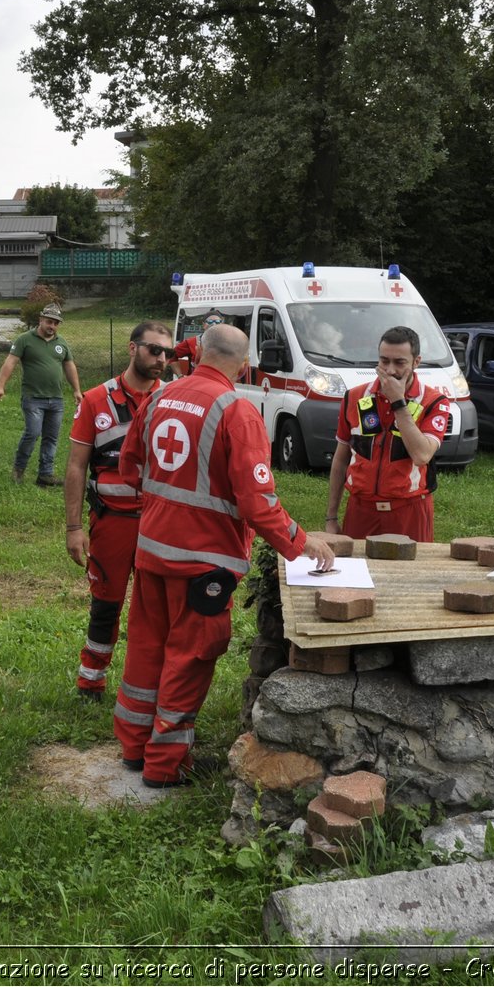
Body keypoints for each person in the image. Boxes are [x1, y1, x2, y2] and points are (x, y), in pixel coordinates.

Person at [115, 324, 335, 787]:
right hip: (203, 565)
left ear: (200, 353)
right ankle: (166, 765)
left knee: (146, 647)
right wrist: (302, 543)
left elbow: (128, 464)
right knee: (188, 658)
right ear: (244, 361)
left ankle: (134, 746)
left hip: (151, 552)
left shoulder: (158, 396)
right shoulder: (236, 410)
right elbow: (258, 504)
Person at [63, 319, 174, 701]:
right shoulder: (97, 400)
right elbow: (76, 465)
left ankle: (147, 687)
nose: (161, 359)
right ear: (132, 348)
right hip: (112, 521)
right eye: (153, 350)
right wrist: (73, 527)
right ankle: (91, 680)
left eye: (167, 353)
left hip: (160, 524)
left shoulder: (174, 398)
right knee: (106, 604)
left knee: (156, 611)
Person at [324, 325, 454, 542]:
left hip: (409, 511)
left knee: (410, 575)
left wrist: (398, 402)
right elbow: (341, 458)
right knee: (356, 573)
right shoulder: (355, 397)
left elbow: (422, 456)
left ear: (416, 362)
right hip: (361, 509)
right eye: (384, 361)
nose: (391, 370)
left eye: (399, 362)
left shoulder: (434, 402)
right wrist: (331, 517)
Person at [0, 302, 82, 486]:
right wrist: (0, 386)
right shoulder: (25, 339)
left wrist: (77, 390)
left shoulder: (61, 343)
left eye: (56, 323)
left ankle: (45, 474)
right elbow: (10, 362)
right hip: (33, 398)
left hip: (56, 399)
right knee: (32, 433)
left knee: (51, 437)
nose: (52, 326)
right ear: (41, 320)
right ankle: (19, 469)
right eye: (49, 322)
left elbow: (69, 366)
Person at [169, 311, 225, 378]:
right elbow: (171, 355)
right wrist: (180, 375)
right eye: (210, 321)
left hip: (219, 385)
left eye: (217, 322)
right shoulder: (192, 342)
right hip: (195, 384)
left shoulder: (228, 343)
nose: (213, 324)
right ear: (203, 325)